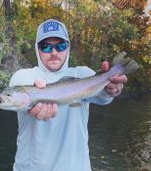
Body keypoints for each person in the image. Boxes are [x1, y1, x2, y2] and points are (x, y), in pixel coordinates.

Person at [9, 19, 127, 171]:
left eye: (60, 45)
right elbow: (17, 95)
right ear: (37, 49)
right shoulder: (23, 76)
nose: (54, 52)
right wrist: (34, 95)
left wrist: (112, 88)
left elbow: (103, 97)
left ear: (68, 47)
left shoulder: (83, 74)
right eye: (46, 47)